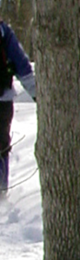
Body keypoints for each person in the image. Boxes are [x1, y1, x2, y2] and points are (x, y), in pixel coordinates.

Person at [0, 18, 37, 196]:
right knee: (1, 147)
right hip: (2, 100)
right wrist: (38, 95)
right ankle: (1, 190)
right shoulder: (4, 32)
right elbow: (22, 65)